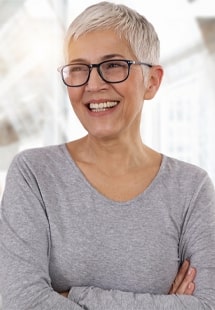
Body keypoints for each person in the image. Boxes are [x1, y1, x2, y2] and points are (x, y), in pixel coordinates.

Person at [0, 1, 215, 309]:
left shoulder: (191, 189)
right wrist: (163, 304)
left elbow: (206, 305)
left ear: (152, 81)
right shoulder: (33, 175)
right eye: (78, 69)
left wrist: (75, 296)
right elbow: (24, 303)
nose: (93, 84)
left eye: (113, 65)